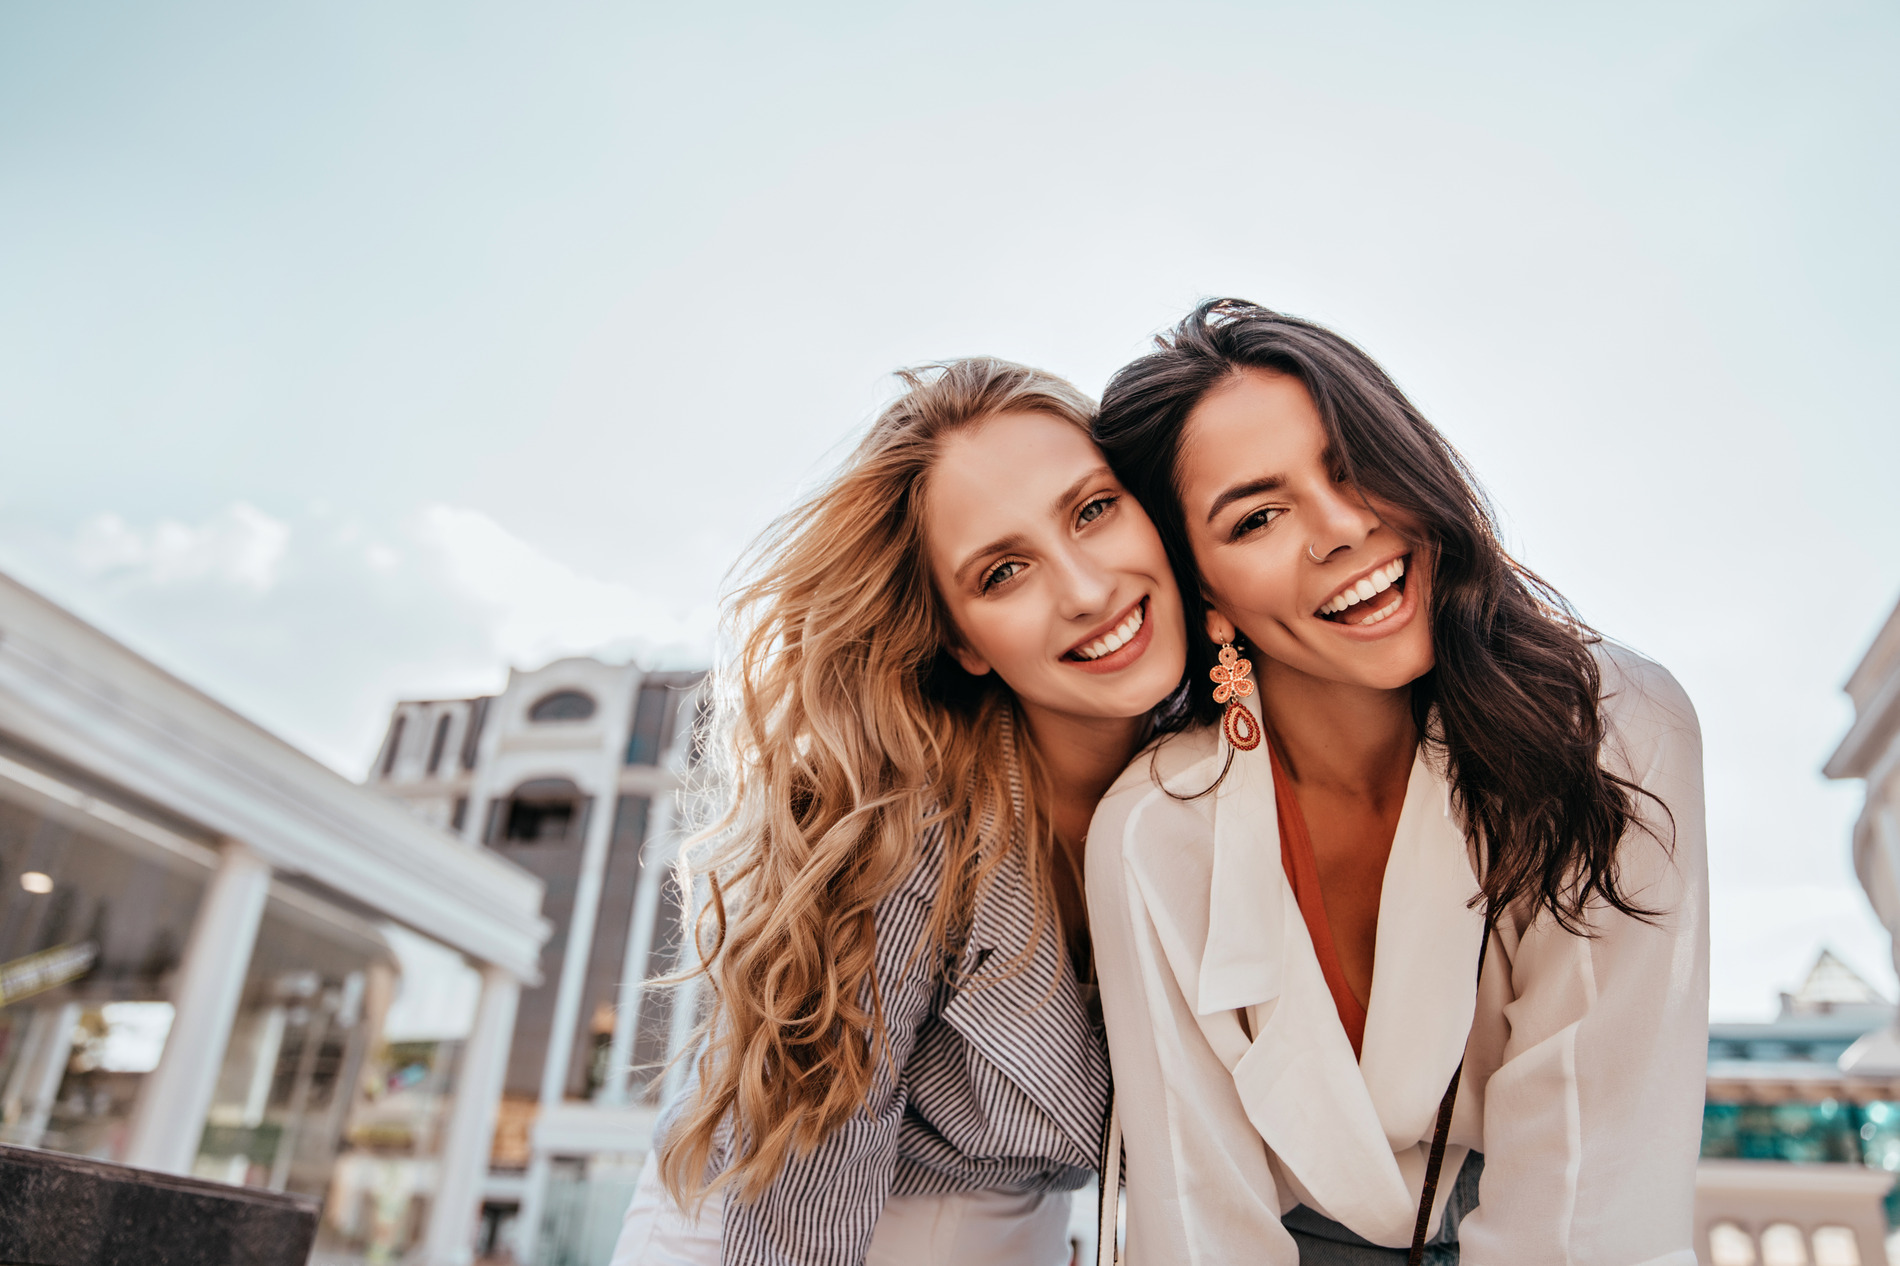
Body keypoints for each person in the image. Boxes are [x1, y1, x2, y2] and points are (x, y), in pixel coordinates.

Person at [1085, 300, 1708, 1264]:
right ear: (1203, 590)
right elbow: (1200, 1214)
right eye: (1257, 516)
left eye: (1355, 465)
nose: (1342, 529)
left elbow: (1593, 1177)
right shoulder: (1153, 829)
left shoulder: (1610, 727)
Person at [610, 358, 1188, 1266]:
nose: (1085, 589)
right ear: (961, 638)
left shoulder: (1215, 770)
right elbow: (808, 1175)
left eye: (1093, 510)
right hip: (763, 1224)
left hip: (1017, 1229)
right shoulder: (898, 823)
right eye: (1003, 572)